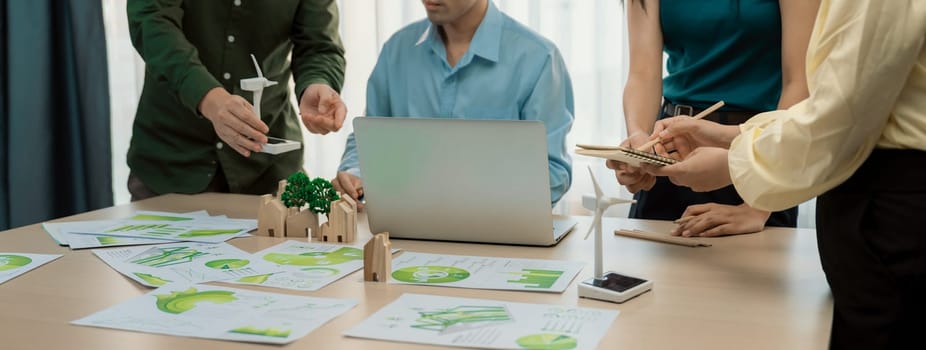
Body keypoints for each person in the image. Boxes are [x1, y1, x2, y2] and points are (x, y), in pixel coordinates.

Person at [644, 1, 926, 347]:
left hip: (889, 201)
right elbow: (836, 106)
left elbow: (840, 116)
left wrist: (734, 162)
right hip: (876, 189)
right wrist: (730, 138)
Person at [328, 0, 574, 208]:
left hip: (499, 242)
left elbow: (552, 173)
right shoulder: (397, 50)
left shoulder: (538, 58)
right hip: (404, 237)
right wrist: (356, 174)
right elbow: (369, 140)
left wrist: (469, 198)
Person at [610, 0, 818, 237]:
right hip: (669, 147)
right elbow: (642, 73)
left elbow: (800, 83)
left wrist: (758, 207)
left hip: (758, 152)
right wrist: (639, 139)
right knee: (647, 270)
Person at [125, 0, 346, 200]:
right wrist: (207, 96)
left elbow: (319, 45)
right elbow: (152, 22)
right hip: (170, 162)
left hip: (269, 169)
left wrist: (317, 83)